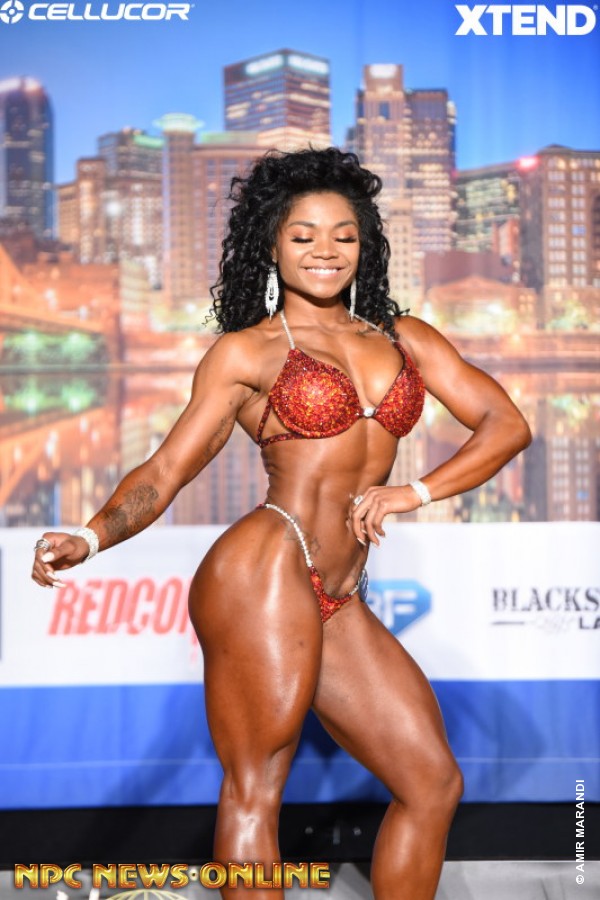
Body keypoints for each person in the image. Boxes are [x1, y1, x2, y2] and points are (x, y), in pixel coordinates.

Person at [32, 147, 531, 899]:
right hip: (265, 568)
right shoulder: (248, 352)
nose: (325, 250)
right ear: (272, 244)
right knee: (257, 787)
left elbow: (506, 424)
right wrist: (93, 535)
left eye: (343, 234)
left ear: (366, 245)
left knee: (432, 780)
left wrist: (417, 490)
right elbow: (166, 470)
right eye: (303, 235)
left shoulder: (405, 337)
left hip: (338, 591)